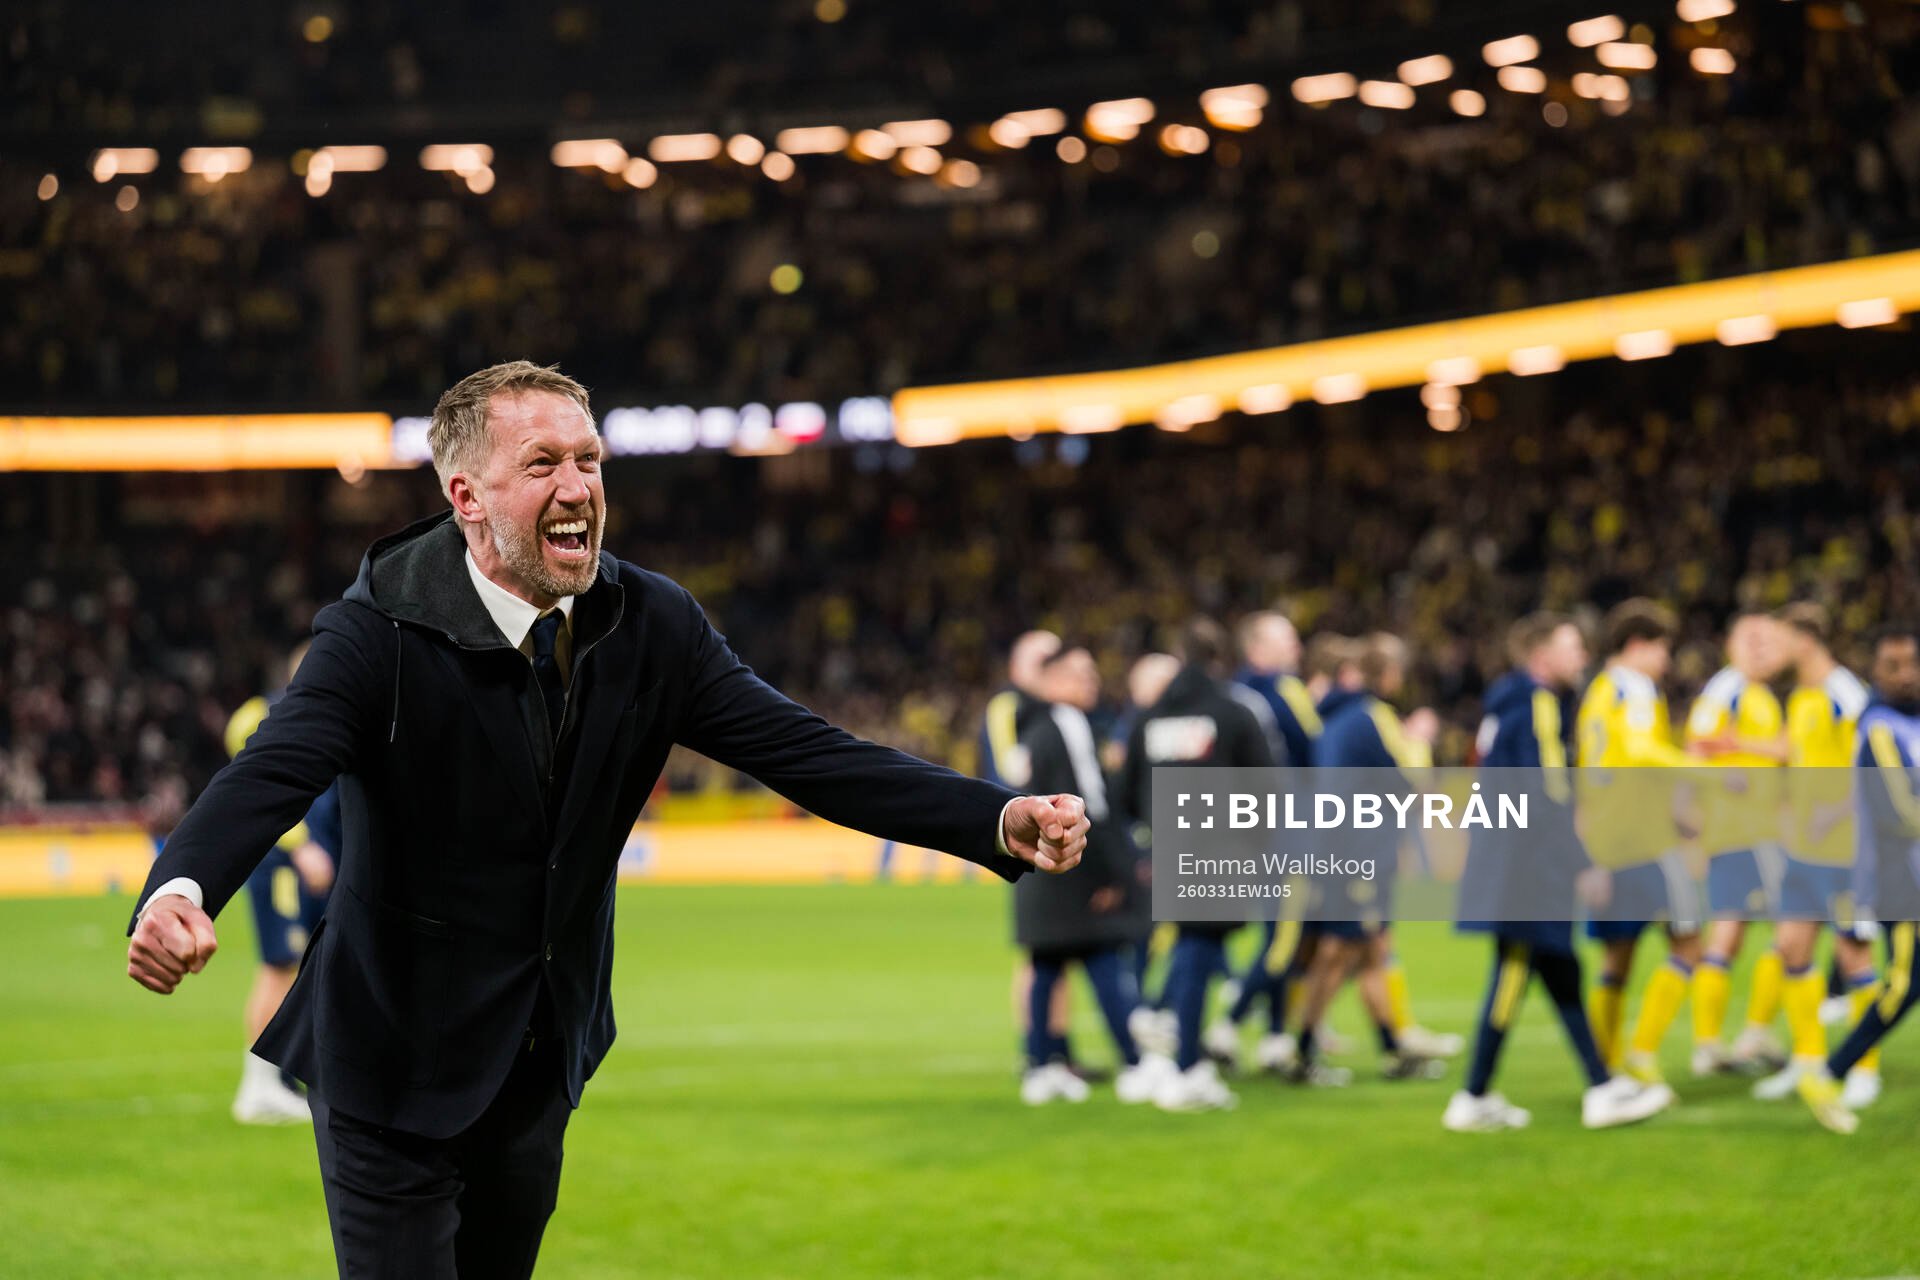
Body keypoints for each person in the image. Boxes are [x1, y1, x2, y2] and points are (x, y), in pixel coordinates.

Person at [124, 361, 1089, 1280]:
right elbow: (274, 769)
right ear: (467, 497)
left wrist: (994, 817)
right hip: (391, 1059)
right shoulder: (377, 628)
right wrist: (182, 885)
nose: (577, 484)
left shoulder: (651, 623)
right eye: (541, 464)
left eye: (588, 459)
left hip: (540, 1053)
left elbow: (809, 755)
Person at [1444, 613, 1674, 1131]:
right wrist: (1581, 862)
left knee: (1560, 973)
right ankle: (1473, 1096)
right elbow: (1546, 792)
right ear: (1542, 656)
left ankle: (1601, 1085)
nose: (1582, 657)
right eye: (1572, 647)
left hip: (1511, 857)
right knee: (1514, 973)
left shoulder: (1504, 704)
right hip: (1526, 866)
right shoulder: (1538, 704)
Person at [1115, 618, 1275, 1111]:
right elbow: (1263, 787)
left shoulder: (1149, 717)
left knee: (1192, 943)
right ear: (1220, 659)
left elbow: (1126, 792)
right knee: (1198, 944)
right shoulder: (1233, 711)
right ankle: (1185, 1062)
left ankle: (1179, 1048)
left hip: (1167, 845)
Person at [1285, 632, 1452, 1084]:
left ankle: (1393, 1048)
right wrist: (1419, 740)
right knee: (1337, 954)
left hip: (1335, 848)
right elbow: (1413, 783)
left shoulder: (1334, 719)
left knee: (1373, 950)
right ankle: (1300, 1050)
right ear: (1388, 673)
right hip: (1357, 854)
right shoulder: (1372, 717)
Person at [1013, 645, 1176, 1105]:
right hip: (1069, 866)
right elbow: (1090, 804)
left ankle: (1041, 1066)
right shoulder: (1067, 724)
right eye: (1080, 674)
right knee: (1103, 959)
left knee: (1048, 964)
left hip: (1037, 867)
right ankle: (1135, 1062)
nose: (1092, 682)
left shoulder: (1031, 728)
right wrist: (1115, 873)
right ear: (1051, 680)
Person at [1752, 604, 1879, 1107]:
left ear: (1804, 640)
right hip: (1803, 850)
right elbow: (1792, 752)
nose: (1772, 652)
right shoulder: (1803, 697)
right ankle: (1808, 1061)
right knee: (1791, 949)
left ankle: (1864, 1069)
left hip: (1846, 850)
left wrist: (1839, 809)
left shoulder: (1844, 693)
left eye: (1779, 640)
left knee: (1854, 955)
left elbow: (1875, 757)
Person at [1798, 624, 1920, 1133]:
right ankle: (1830, 1072)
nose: (1906, 674)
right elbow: (1902, 810)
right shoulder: (1878, 726)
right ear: (1877, 671)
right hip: (1902, 877)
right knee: (1904, 981)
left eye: (1912, 663)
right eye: (1893, 666)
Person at [1576, 599, 1702, 1088]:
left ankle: (1604, 1069)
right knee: (1689, 946)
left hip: (1608, 838)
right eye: (1661, 649)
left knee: (1617, 958)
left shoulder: (1597, 693)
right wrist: (1704, 772)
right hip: (1647, 840)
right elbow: (1640, 751)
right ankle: (1642, 1055)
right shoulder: (1635, 688)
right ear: (1636, 645)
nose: (1665, 662)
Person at [224, 644, 343, 1125]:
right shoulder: (260, 714)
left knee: (310, 969)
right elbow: (258, 786)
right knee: (280, 966)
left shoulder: (335, 714)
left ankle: (287, 1077)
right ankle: (259, 1084)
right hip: (281, 865)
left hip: (320, 865)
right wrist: (300, 847)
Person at [1206, 611, 1321, 1071]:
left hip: (1244, 831)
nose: (1296, 647)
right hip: (1288, 830)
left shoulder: (1229, 694)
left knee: (1275, 931)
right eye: (1287, 639)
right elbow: (1320, 754)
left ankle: (1275, 1037)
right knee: (1285, 939)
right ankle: (1229, 1022)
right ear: (1257, 647)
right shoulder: (1286, 690)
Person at [1685, 612, 1792, 1077]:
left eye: (1768, 640)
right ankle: (1742, 1036)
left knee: (1738, 930)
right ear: (1730, 644)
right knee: (1786, 929)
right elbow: (1697, 747)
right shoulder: (1724, 689)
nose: (1761, 649)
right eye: (1751, 639)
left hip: (1756, 829)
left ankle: (1723, 1041)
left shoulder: (1758, 695)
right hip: (1742, 831)